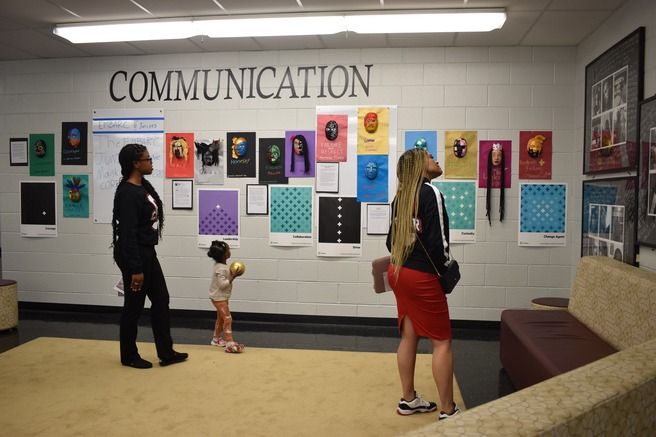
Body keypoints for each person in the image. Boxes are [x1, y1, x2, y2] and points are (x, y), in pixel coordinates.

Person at [386, 148, 459, 420]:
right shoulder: (431, 193)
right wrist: (444, 274)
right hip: (421, 276)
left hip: (397, 271)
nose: (436, 159)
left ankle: (409, 400)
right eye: (430, 157)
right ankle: (448, 410)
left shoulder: (400, 197)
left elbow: (389, 242)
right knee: (442, 342)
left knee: (409, 335)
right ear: (420, 167)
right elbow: (439, 245)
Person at [112, 143, 188, 369]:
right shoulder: (127, 193)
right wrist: (136, 270)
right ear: (136, 164)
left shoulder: (142, 187)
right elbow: (127, 235)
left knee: (161, 299)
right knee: (133, 306)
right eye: (147, 159)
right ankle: (129, 355)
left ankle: (166, 352)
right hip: (134, 254)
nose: (151, 162)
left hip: (147, 252)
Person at [207, 240, 244, 353]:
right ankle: (229, 342)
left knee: (221, 319)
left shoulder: (221, 265)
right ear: (224, 255)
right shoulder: (221, 268)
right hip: (219, 298)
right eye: (228, 250)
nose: (230, 251)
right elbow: (222, 285)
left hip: (221, 297)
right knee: (227, 318)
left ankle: (216, 339)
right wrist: (233, 276)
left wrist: (232, 275)